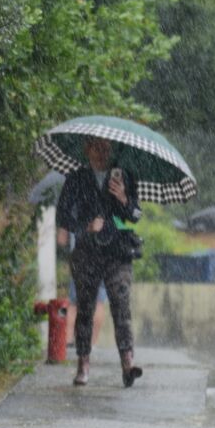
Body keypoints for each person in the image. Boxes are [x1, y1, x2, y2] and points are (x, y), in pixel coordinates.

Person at [55, 137, 144, 387]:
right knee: (85, 307)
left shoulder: (123, 176)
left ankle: (128, 362)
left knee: (121, 303)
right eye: (97, 147)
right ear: (87, 149)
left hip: (118, 251)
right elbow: (63, 215)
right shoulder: (76, 178)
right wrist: (86, 227)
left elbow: (136, 214)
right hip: (87, 251)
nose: (102, 152)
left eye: (106, 148)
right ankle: (83, 362)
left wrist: (124, 198)